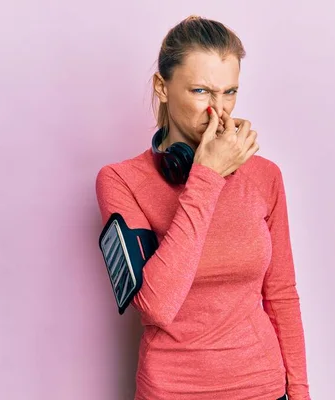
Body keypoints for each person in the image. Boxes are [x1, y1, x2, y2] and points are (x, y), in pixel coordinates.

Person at [95, 15, 310, 400]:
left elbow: (281, 294)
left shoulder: (265, 177)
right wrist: (207, 178)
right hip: (172, 390)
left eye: (229, 93)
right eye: (200, 91)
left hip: (261, 387)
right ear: (162, 87)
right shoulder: (120, 180)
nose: (218, 111)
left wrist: (301, 393)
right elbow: (156, 306)